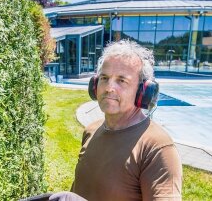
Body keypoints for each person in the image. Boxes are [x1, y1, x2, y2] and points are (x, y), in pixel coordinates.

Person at [50, 40, 182, 201]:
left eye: (121, 80)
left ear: (143, 91)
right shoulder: (91, 131)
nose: (109, 88)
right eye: (104, 78)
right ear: (94, 85)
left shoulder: (158, 147)